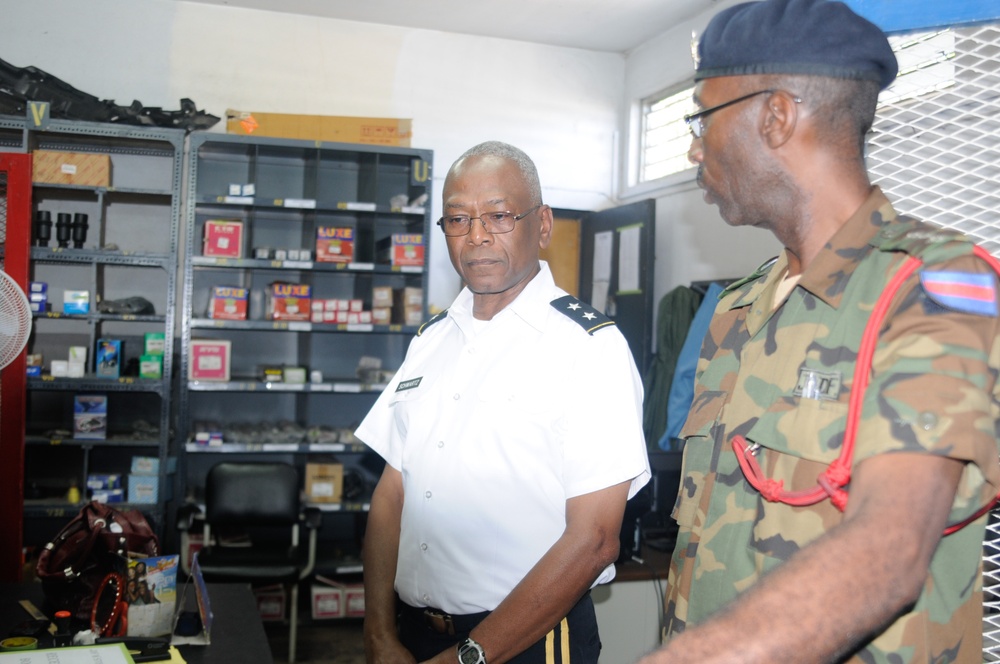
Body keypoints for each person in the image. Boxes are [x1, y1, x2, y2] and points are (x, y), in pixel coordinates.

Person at [640, 0, 1000, 662]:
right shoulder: (736, 309)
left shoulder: (934, 289)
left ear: (775, 116)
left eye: (701, 118)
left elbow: (887, 551)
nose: (695, 148)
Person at [356, 140, 651, 664]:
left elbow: (596, 539)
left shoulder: (588, 347)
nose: (477, 237)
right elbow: (391, 495)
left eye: (498, 216)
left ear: (541, 225)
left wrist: (466, 658)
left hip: (529, 643)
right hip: (414, 635)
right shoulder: (431, 341)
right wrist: (380, 634)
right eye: (458, 220)